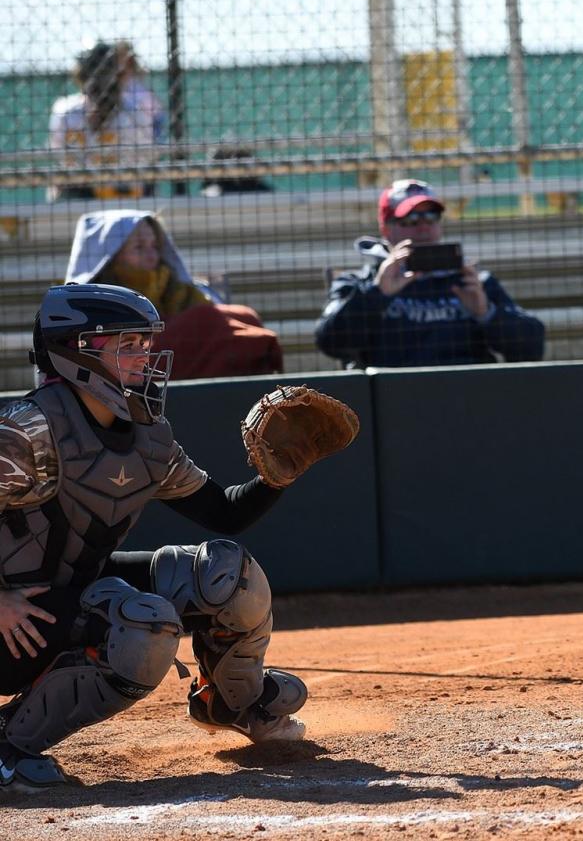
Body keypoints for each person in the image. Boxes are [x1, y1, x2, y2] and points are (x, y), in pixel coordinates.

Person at [0, 283, 312, 791]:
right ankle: (7, 749)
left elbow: (223, 513)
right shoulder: (27, 431)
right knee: (142, 625)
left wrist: (278, 478)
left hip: (63, 600)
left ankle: (234, 703)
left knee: (227, 575)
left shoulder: (146, 433)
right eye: (127, 346)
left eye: (145, 345)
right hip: (14, 622)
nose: (144, 358)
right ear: (76, 355)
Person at [315, 179, 545, 368]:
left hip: (469, 400)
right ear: (386, 228)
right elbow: (331, 342)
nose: (423, 227)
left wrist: (487, 313)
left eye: (431, 217)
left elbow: (532, 348)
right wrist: (378, 294)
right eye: (411, 219)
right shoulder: (358, 284)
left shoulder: (474, 282)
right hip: (391, 401)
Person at [65, 210, 283, 380]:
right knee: (206, 319)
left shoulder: (174, 285)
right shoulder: (94, 300)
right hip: (130, 367)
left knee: (244, 316)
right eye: (139, 248)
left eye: (154, 246)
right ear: (110, 258)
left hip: (174, 365)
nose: (152, 255)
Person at [47, 41, 158, 202]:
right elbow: (60, 157)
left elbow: (144, 160)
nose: (100, 80)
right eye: (92, 72)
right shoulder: (65, 111)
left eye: (106, 72)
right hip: (79, 194)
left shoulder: (134, 113)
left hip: (123, 194)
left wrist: (106, 119)